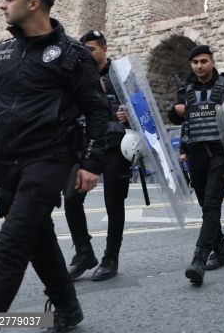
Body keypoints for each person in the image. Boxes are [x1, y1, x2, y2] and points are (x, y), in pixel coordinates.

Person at [0, 0, 108, 332]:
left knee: (10, 248)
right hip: (5, 164)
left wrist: (91, 162)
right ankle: (67, 308)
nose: (1, 4)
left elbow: (97, 111)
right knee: (36, 239)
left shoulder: (72, 55)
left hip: (48, 161)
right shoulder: (1, 52)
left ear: (33, 4)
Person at [167, 45, 224, 285]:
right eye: (195, 63)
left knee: (211, 204)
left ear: (212, 61)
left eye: (203, 61)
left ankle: (199, 259)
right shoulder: (185, 90)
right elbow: (178, 118)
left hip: (221, 154)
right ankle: (220, 253)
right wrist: (175, 111)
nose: (199, 66)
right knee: (205, 205)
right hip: (195, 154)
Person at [63, 30, 130, 282]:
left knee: (114, 204)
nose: (87, 54)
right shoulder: (78, 75)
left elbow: (141, 106)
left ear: (104, 48)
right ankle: (83, 252)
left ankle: (110, 258)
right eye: (84, 50)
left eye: (91, 49)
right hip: (84, 146)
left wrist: (128, 115)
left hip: (115, 145)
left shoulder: (121, 75)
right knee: (71, 198)